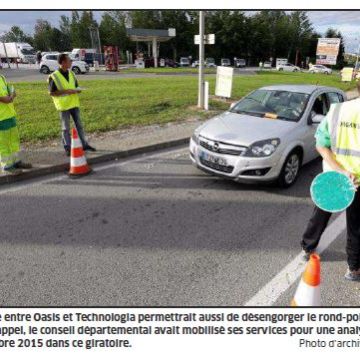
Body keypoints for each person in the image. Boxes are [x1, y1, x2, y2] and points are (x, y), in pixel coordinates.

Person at [301, 81, 360, 281]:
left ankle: (307, 248)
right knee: (356, 225)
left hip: (334, 176)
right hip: (358, 182)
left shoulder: (337, 111)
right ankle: (353, 269)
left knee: (321, 213)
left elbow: (321, 145)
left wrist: (340, 170)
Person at [48, 53, 96, 156]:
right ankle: (68, 148)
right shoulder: (54, 76)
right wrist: (67, 91)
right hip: (63, 106)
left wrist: (78, 90)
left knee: (79, 125)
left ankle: (84, 144)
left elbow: (76, 86)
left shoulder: (72, 73)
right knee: (65, 128)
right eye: (69, 60)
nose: (71, 62)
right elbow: (51, 92)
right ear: (63, 62)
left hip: (74, 103)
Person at [0, 73, 31, 175]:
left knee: (14, 141)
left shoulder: (2, 77)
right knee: (4, 144)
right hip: (1, 118)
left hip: (9, 115)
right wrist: (12, 94)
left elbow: (8, 94)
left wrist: (12, 93)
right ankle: (7, 166)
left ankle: (15, 161)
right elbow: (6, 99)